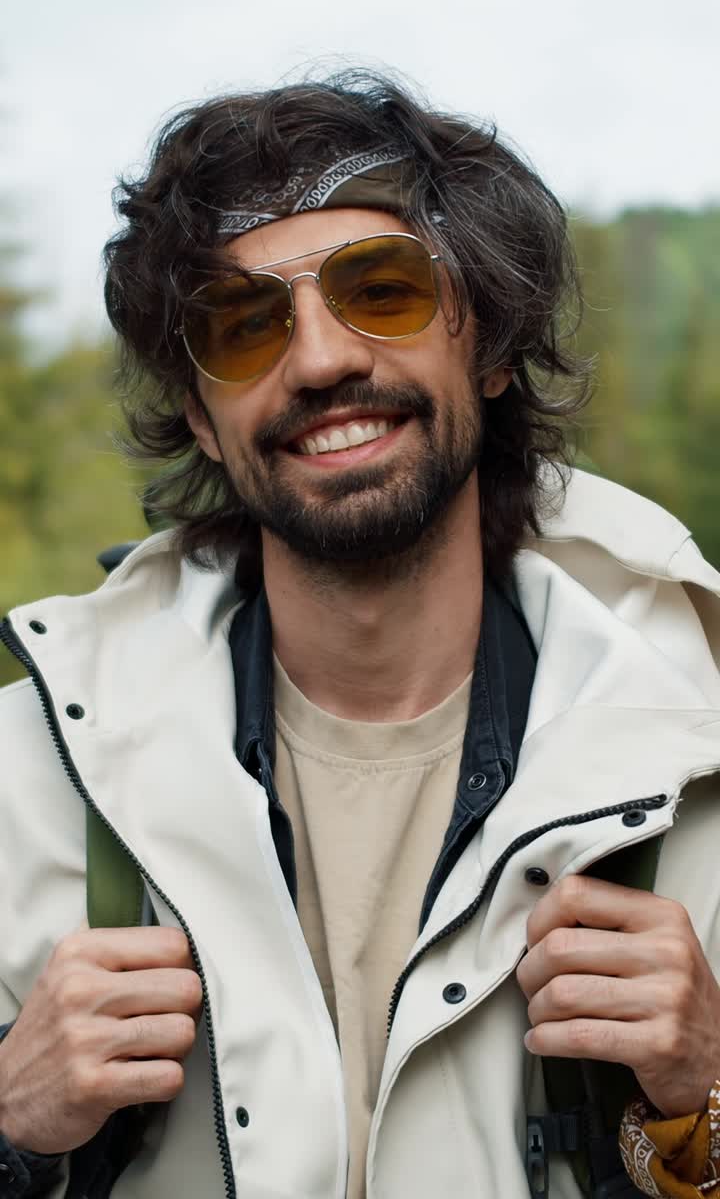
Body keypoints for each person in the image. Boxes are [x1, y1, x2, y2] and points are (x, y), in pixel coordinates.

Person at [0, 71, 719, 1199]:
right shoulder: (23, 777)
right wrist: (11, 1124)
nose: (322, 360)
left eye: (382, 293)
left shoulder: (698, 761)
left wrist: (707, 1106)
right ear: (199, 412)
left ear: (488, 343)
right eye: (244, 325)